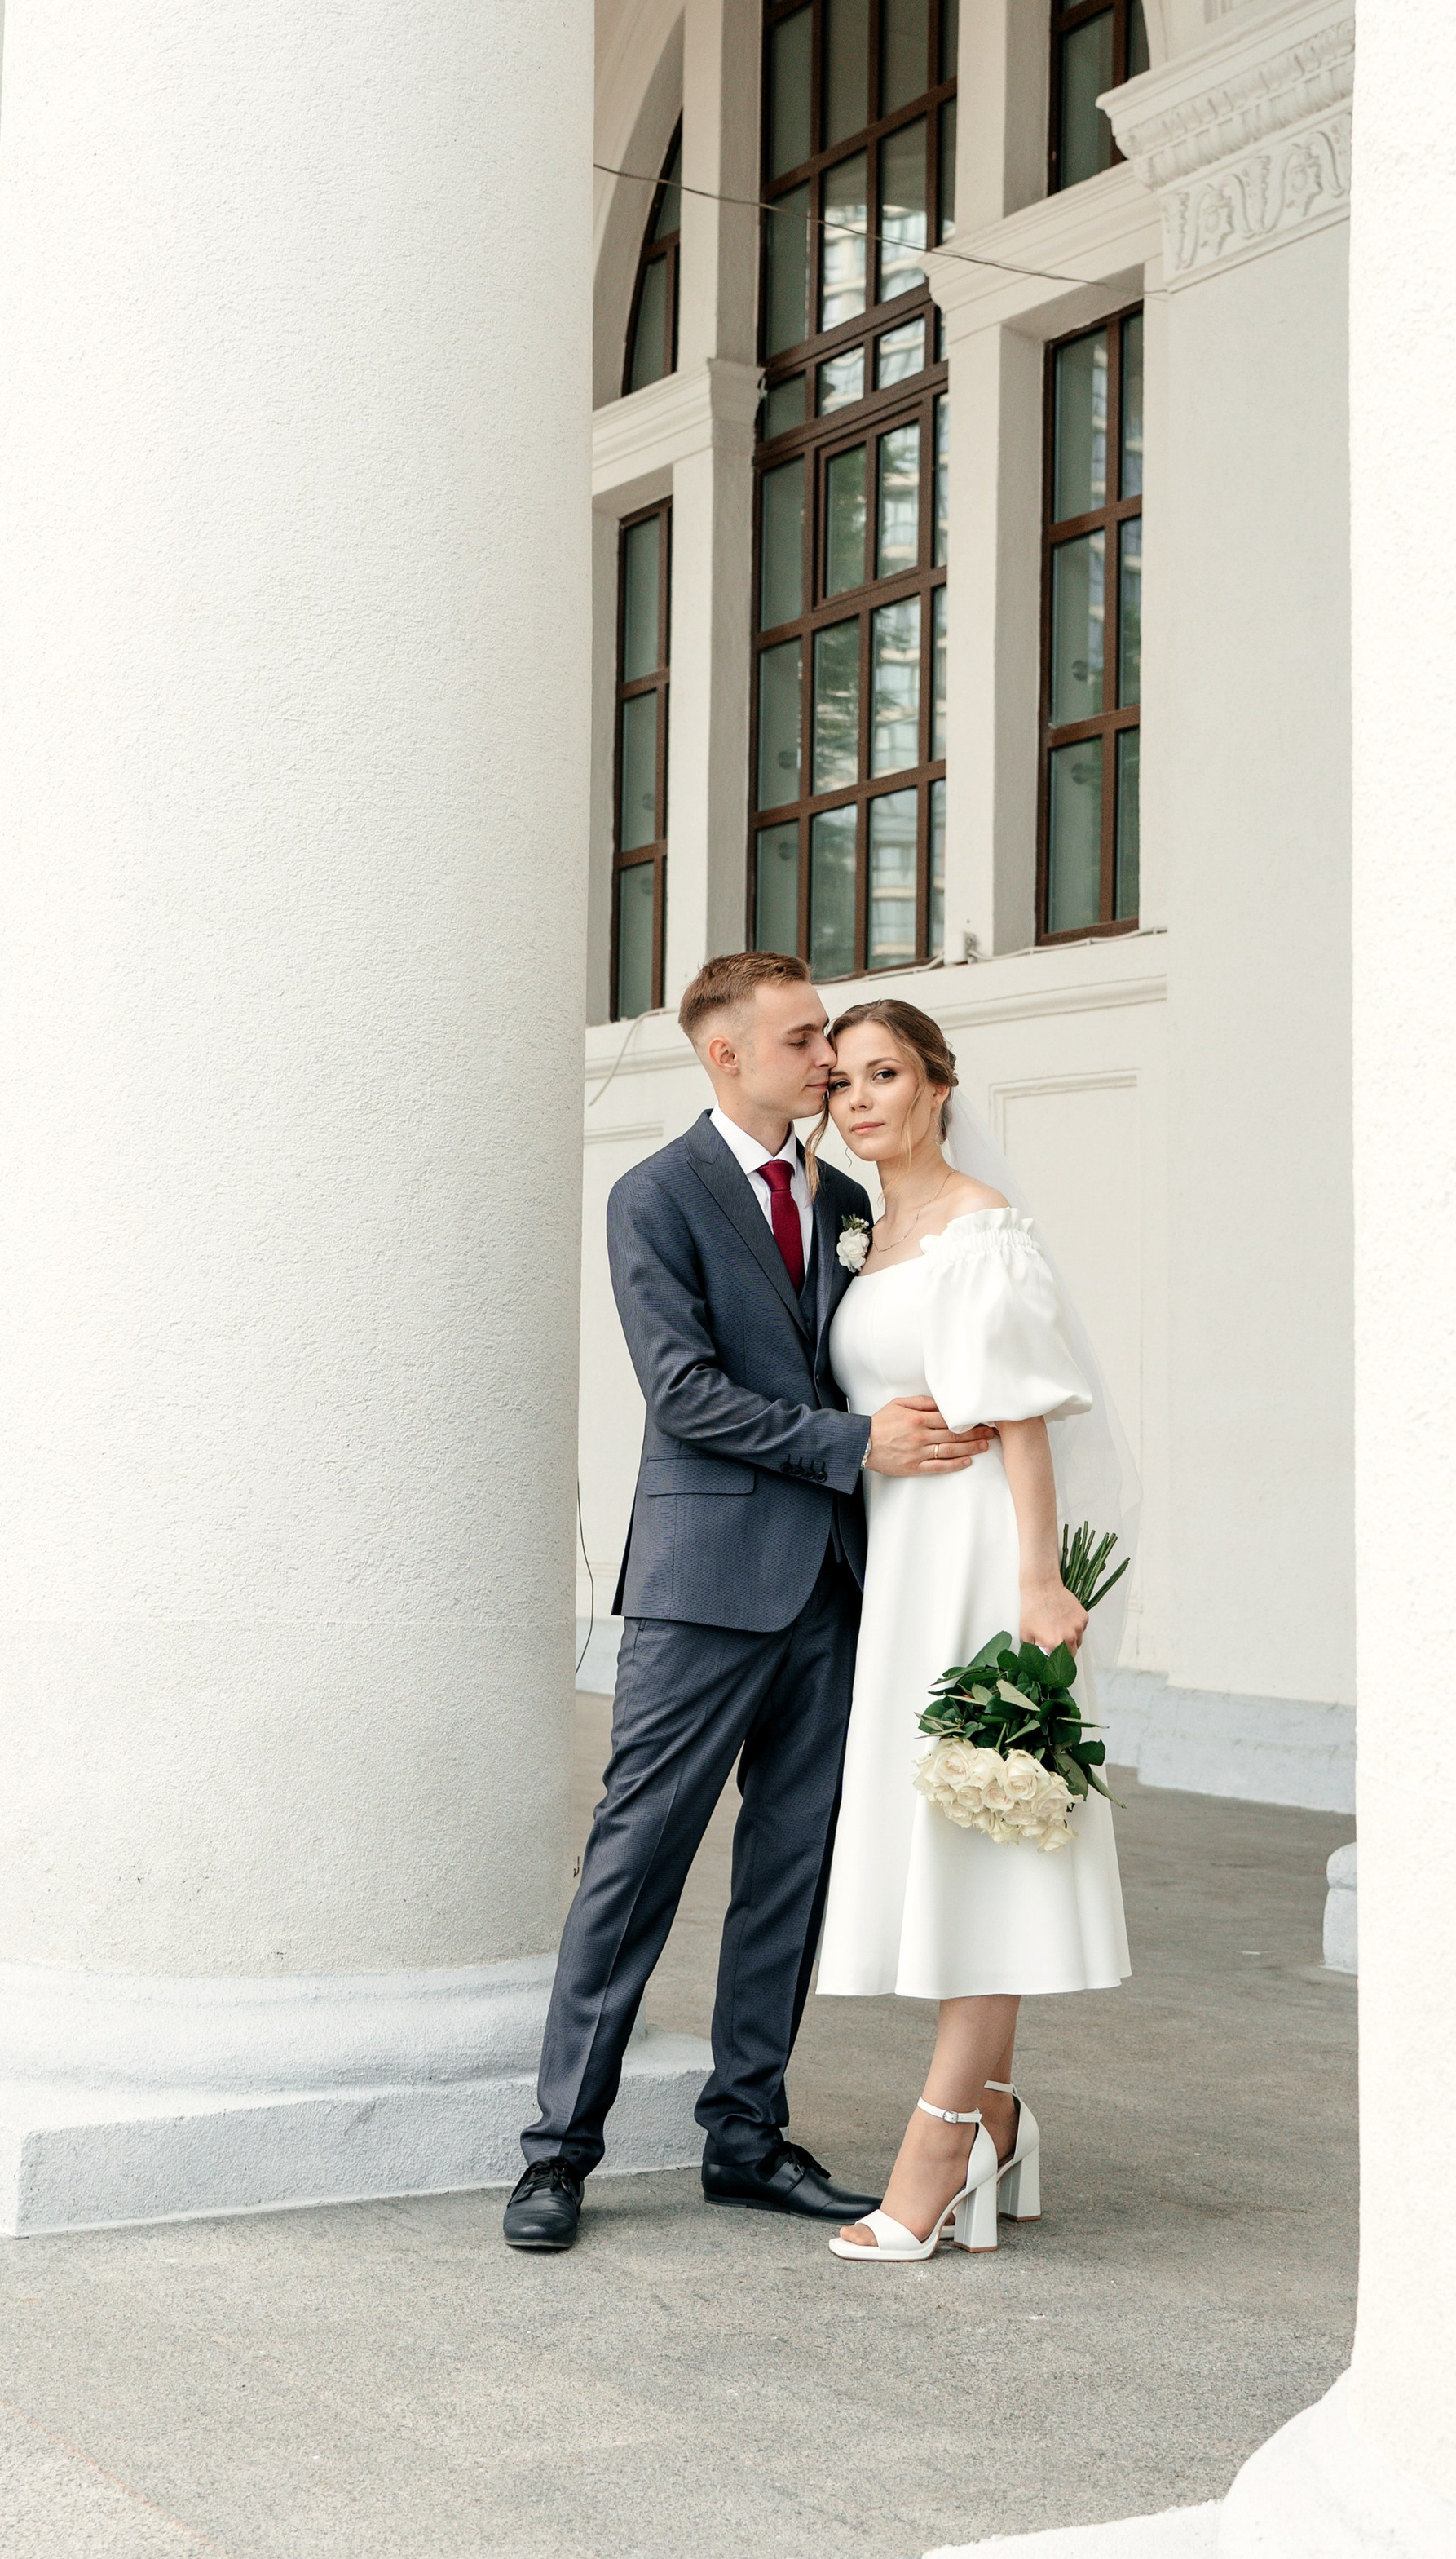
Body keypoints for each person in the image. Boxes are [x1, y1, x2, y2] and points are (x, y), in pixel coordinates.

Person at [503, 951, 993, 2252]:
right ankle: (558, 2153)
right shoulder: (652, 1195)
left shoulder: (845, 1199)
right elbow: (685, 1391)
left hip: (834, 1588)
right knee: (636, 1864)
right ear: (725, 1056)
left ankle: (747, 2137)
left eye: (827, 1033)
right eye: (800, 1038)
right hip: (703, 1587)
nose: (826, 1057)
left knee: (791, 1872)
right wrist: (855, 1447)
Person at [811, 1000, 1132, 2264]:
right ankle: (996, 2116)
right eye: (841, 1081)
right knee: (955, 1836)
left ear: (940, 1085)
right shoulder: (874, 1235)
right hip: (904, 1559)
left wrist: (1040, 1582)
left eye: (886, 1073)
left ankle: (941, 2147)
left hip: (979, 1560)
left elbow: (1022, 1416)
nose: (860, 1099)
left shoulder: (980, 1225)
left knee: (982, 1834)